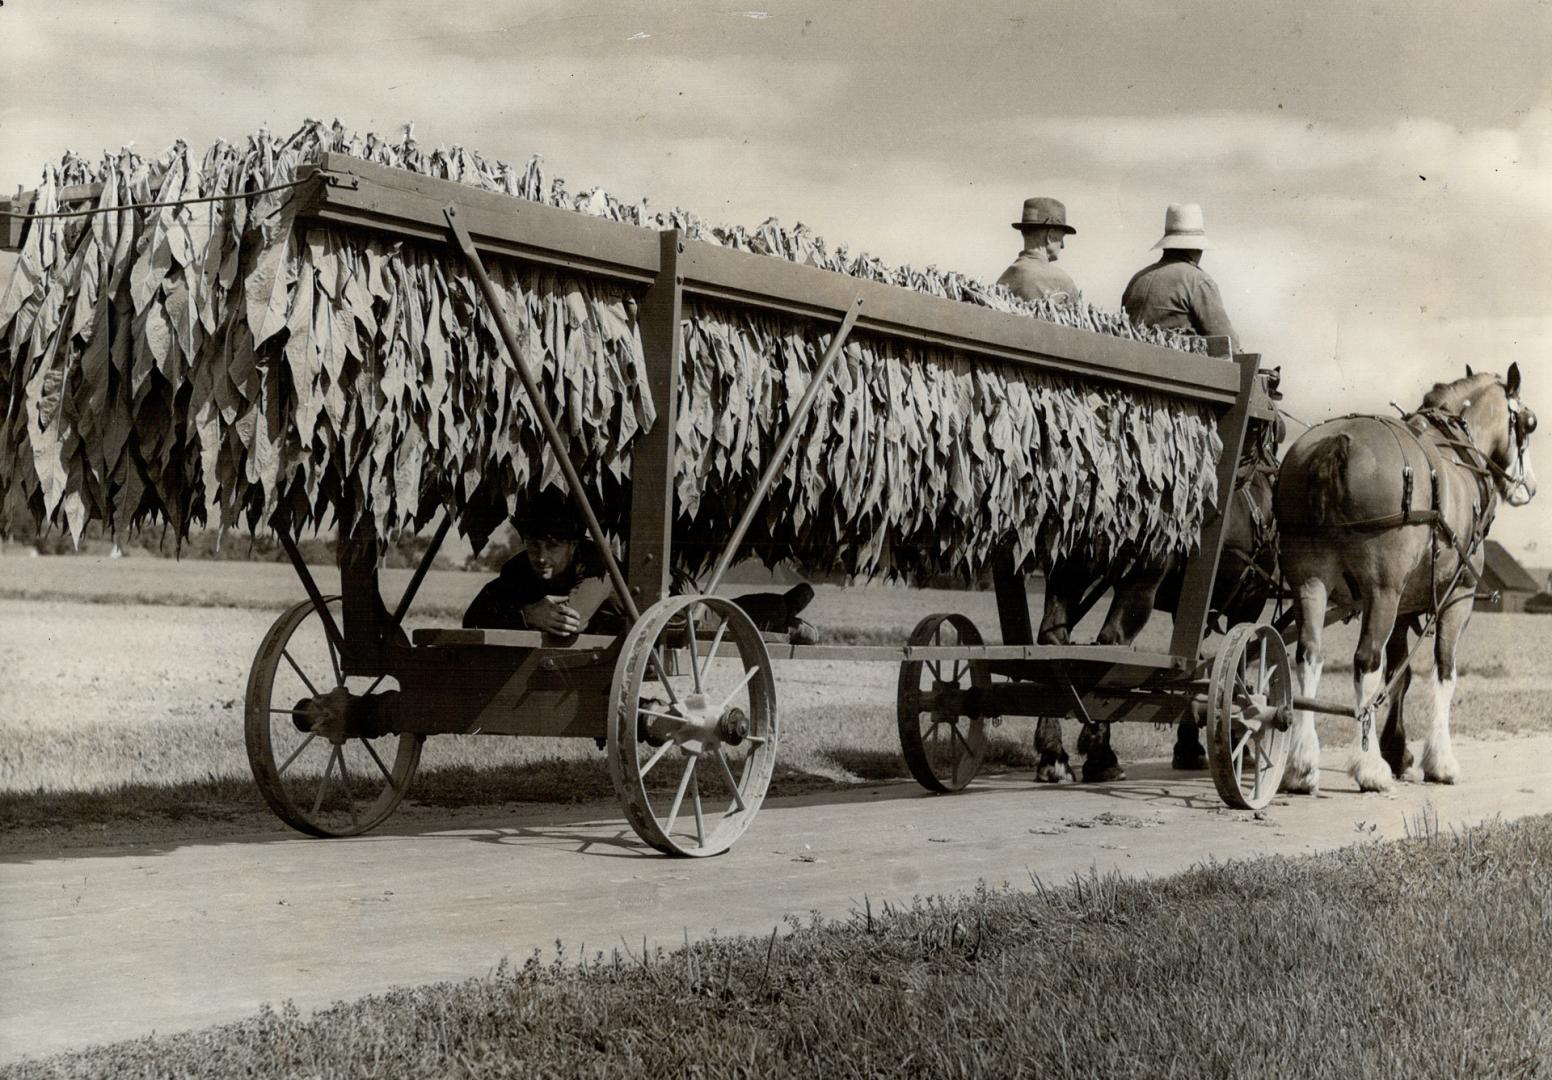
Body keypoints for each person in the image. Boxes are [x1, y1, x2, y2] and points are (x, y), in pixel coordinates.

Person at [464, 491, 821, 642]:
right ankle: (787, 608)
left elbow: (571, 621)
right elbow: (474, 614)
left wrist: (527, 612)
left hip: (671, 602)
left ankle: (789, 615)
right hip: (631, 618)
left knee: (720, 620)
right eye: (533, 545)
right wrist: (527, 612)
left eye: (553, 546)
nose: (541, 556)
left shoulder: (595, 566)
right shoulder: (519, 569)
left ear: (573, 545)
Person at [1120, 203, 1238, 348]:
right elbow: (1228, 344)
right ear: (1197, 248)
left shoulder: (1137, 279)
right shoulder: (1198, 281)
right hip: (1173, 367)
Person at [996, 197, 1078, 301]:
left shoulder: (1003, 279)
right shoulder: (1063, 281)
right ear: (1050, 236)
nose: (1062, 245)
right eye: (1061, 238)